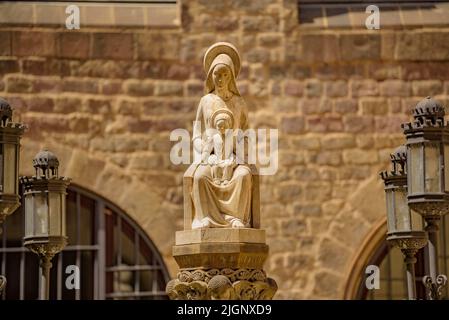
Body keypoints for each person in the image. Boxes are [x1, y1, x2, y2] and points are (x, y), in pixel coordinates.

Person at [191, 42, 252, 229]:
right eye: (217, 74)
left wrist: (237, 156)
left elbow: (245, 135)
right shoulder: (205, 102)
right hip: (210, 158)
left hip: (232, 160)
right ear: (211, 76)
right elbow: (196, 134)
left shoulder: (239, 103)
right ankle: (205, 218)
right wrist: (206, 154)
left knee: (243, 175)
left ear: (231, 77)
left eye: (225, 74)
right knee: (200, 176)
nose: (220, 79)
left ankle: (235, 218)